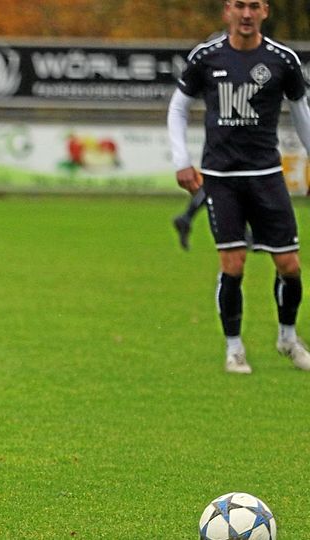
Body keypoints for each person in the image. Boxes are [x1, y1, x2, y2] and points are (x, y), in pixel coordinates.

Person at [167, 0, 310, 373]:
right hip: (221, 178)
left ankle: (288, 338)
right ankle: (234, 348)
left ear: (265, 11)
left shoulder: (282, 60)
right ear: (227, 10)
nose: (246, 14)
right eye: (240, 5)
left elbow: (300, 110)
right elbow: (178, 108)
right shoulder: (206, 57)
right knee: (233, 264)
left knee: (290, 265)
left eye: (254, 6)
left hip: (266, 174)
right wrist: (181, 160)